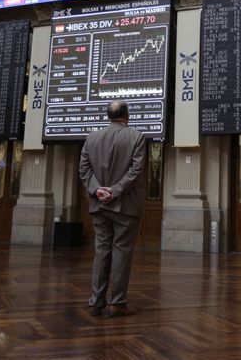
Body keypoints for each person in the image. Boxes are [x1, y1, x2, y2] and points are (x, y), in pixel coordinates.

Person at [79, 100, 146, 318]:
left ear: (109, 115)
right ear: (127, 115)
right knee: (121, 253)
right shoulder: (136, 137)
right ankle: (117, 303)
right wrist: (115, 191)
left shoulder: (92, 138)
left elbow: (84, 169)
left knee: (101, 252)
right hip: (125, 207)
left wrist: (98, 190)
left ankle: (95, 303)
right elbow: (136, 170)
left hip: (99, 205)